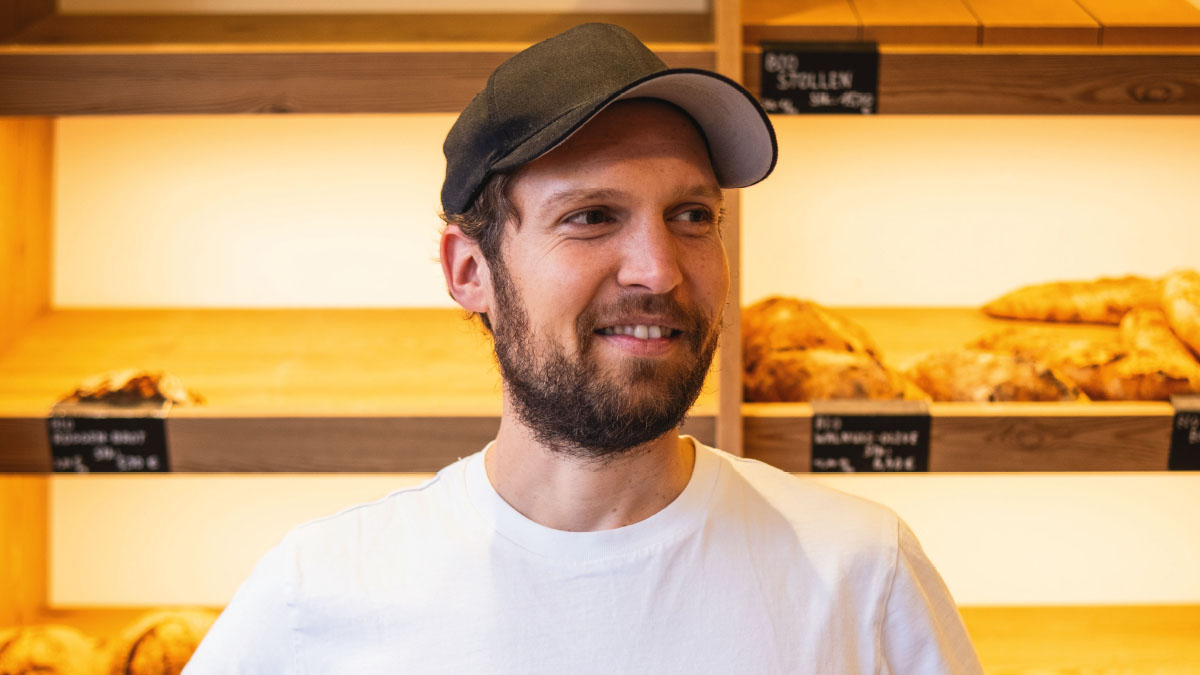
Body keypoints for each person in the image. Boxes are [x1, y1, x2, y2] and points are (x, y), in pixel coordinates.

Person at [185, 23, 982, 674]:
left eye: (693, 217)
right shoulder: (318, 597)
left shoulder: (860, 576)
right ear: (470, 273)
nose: (659, 270)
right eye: (592, 216)